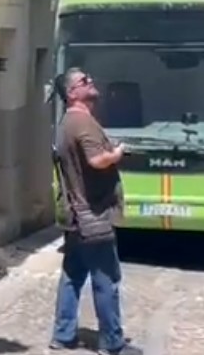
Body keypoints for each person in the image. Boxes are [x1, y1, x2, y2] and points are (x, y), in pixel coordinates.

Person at [48, 68, 141, 355]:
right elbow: (96, 160)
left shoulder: (67, 122)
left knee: (72, 275)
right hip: (94, 215)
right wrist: (117, 153)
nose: (90, 82)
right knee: (106, 280)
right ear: (72, 93)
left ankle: (63, 335)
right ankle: (112, 343)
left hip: (76, 215)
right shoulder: (82, 123)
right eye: (83, 81)